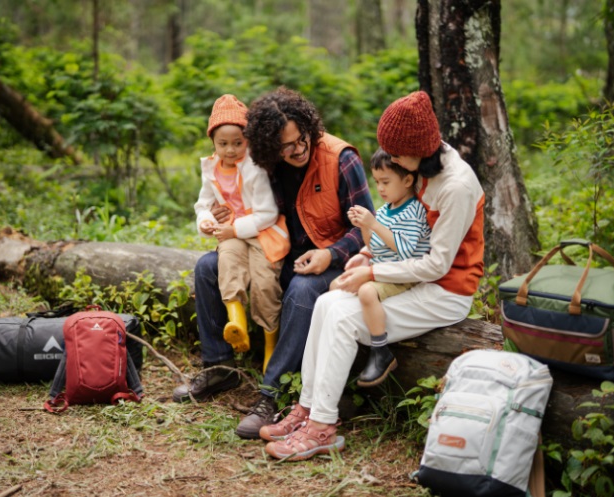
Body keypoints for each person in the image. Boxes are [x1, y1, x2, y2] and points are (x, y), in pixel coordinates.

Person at [259, 90, 485, 461]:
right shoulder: (420, 165)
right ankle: (307, 408)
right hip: (406, 277)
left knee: (345, 318)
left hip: (445, 290)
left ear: (418, 150)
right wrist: (365, 255)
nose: (391, 162)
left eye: (396, 155)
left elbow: (438, 266)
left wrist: (371, 271)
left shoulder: (455, 187)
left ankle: (323, 428)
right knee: (327, 302)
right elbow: (397, 230)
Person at [172, 87, 375, 441]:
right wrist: (223, 212)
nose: (296, 150)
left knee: (301, 289)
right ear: (268, 145)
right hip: (279, 250)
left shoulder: (341, 159)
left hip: (332, 259)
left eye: (302, 140)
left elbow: (368, 227)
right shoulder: (267, 163)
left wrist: (331, 254)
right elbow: (251, 206)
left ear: (310, 129)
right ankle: (219, 367)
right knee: (208, 267)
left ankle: (272, 394)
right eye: (285, 146)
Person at [193, 94, 289, 372]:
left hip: (262, 232)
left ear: (248, 139)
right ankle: (237, 322)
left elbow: (268, 213)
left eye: (238, 143)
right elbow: (202, 204)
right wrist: (207, 220)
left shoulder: (254, 168)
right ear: (213, 142)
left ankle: (271, 345)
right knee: (228, 263)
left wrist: (234, 228)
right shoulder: (210, 168)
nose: (231, 150)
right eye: (223, 144)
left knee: (264, 283)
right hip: (232, 232)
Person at [330, 147, 431, 387]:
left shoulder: (414, 210)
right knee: (336, 283)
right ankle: (346, 340)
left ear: (407, 180)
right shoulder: (386, 210)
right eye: (377, 182)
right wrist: (365, 226)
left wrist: (373, 223)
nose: (381, 189)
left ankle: (380, 350)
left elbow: (405, 249)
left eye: (386, 181)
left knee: (366, 291)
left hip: (404, 273)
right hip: (382, 269)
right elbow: (374, 246)